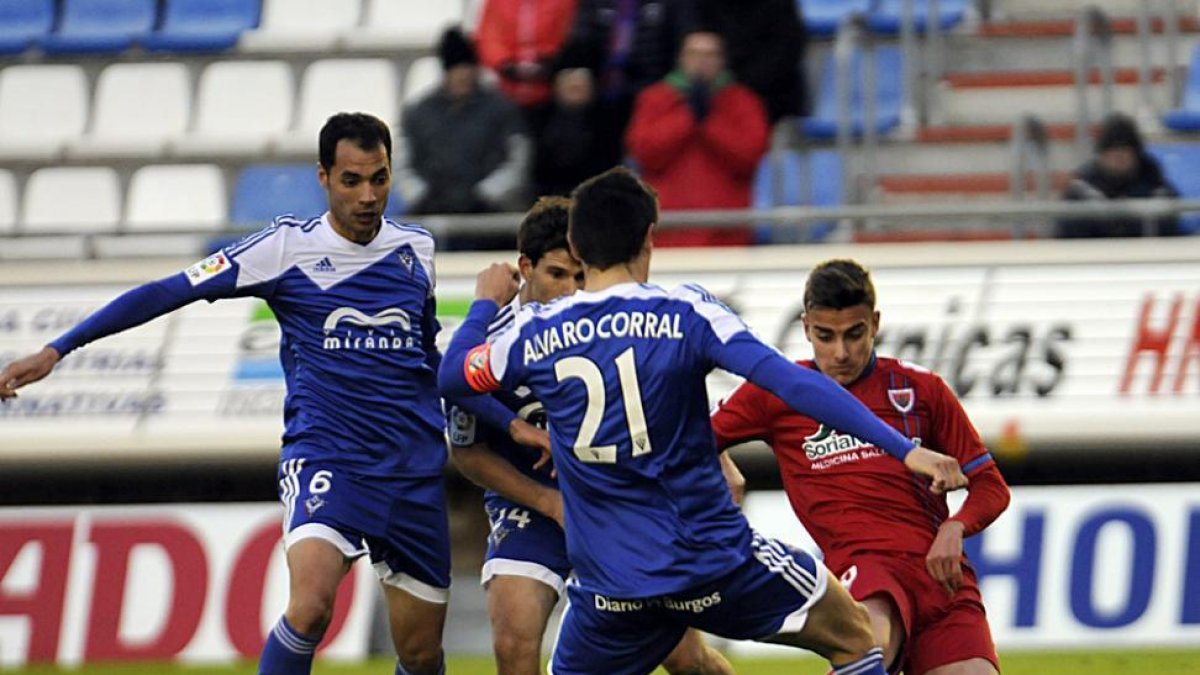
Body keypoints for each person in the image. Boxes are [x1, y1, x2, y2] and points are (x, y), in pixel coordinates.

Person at [0, 112, 543, 675]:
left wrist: (508, 423)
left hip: (410, 469)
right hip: (328, 456)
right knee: (310, 608)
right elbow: (169, 291)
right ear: (323, 177)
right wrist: (59, 348)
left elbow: (426, 363)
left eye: (379, 178)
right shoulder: (284, 248)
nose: (367, 195)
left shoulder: (416, 250)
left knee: (422, 654)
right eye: (351, 180)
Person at [438, 167, 968, 675]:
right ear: (650, 237)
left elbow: (454, 377)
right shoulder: (685, 311)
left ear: (576, 247)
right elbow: (791, 382)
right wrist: (904, 448)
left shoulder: (535, 333)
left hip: (612, 588)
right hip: (714, 563)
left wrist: (484, 303)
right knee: (854, 638)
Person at [446, 195, 736, 674]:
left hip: (618, 502)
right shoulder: (489, 342)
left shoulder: (612, 324)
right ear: (525, 267)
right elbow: (467, 452)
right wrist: (548, 502)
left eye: (580, 276)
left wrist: (717, 459)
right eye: (558, 274)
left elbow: (668, 404)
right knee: (513, 642)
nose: (571, 289)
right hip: (531, 508)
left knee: (688, 660)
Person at [710, 258, 1012, 675]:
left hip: (940, 578)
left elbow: (991, 485)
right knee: (871, 645)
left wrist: (955, 526)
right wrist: (722, 460)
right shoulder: (778, 391)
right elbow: (690, 438)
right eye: (825, 336)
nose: (841, 353)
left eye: (854, 334)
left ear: (875, 323)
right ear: (805, 328)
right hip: (865, 567)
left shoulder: (920, 388)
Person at [625, 29, 769, 246]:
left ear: (722, 60)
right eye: (694, 54)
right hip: (668, 234)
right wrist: (686, 118)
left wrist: (710, 123)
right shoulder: (655, 99)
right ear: (681, 59)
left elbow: (749, 155)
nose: (702, 61)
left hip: (726, 235)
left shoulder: (743, 101)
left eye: (710, 54)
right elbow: (645, 152)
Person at [398, 27, 531, 248]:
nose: (463, 75)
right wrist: (423, 196)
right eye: (456, 69)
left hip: (489, 215)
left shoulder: (501, 110)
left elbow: (517, 160)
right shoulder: (418, 113)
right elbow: (403, 164)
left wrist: (486, 194)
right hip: (432, 213)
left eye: (468, 68)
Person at [1058, 112, 1180, 238]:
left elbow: (1168, 232)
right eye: (1111, 149)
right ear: (1100, 154)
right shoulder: (1080, 192)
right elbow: (1069, 239)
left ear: (1136, 154)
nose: (1118, 155)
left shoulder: (1158, 190)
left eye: (1125, 149)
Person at [698, 0, 809, 123]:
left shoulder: (779, 6)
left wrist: (743, 86)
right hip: (717, 98)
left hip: (775, 100)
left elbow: (788, 49)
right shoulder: (703, 6)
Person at [475, 0, 579, 111]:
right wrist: (504, 64)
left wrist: (551, 63)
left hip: (551, 92)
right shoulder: (497, 2)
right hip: (504, 91)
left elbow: (568, 34)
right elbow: (489, 37)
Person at [529, 68, 612, 197]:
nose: (575, 93)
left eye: (579, 88)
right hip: (548, 188)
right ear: (557, 89)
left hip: (595, 190)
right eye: (571, 88)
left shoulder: (607, 121)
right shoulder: (540, 119)